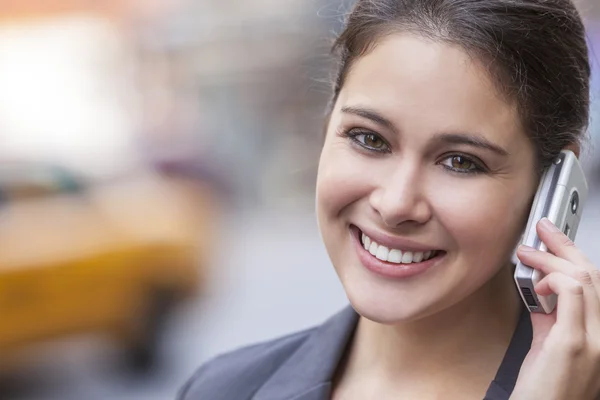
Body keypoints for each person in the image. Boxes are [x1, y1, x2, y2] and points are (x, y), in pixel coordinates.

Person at [178, 1, 600, 399]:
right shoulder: (223, 389)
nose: (396, 204)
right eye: (370, 139)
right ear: (327, 126)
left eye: (460, 162)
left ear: (552, 185)